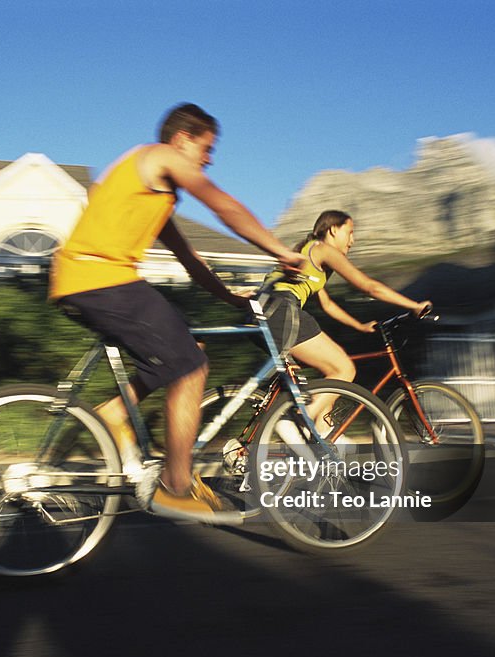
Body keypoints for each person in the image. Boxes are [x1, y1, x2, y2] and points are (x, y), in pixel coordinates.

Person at [49, 102, 305, 524]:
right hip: (100, 278)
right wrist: (278, 250)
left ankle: (115, 414)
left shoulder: (152, 190)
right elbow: (223, 205)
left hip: (85, 281)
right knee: (192, 369)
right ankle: (176, 488)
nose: (208, 159)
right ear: (183, 138)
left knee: (188, 348)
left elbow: (188, 259)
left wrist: (230, 298)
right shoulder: (160, 155)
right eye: (206, 148)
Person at [259, 209, 432, 440]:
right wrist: (414, 305)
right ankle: (296, 421)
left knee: (327, 375)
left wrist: (359, 326)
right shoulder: (322, 249)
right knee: (344, 368)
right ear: (332, 230)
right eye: (349, 232)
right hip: (281, 311)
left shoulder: (309, 253)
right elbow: (369, 286)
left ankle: (322, 431)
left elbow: (328, 305)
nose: (353, 239)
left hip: (263, 312)